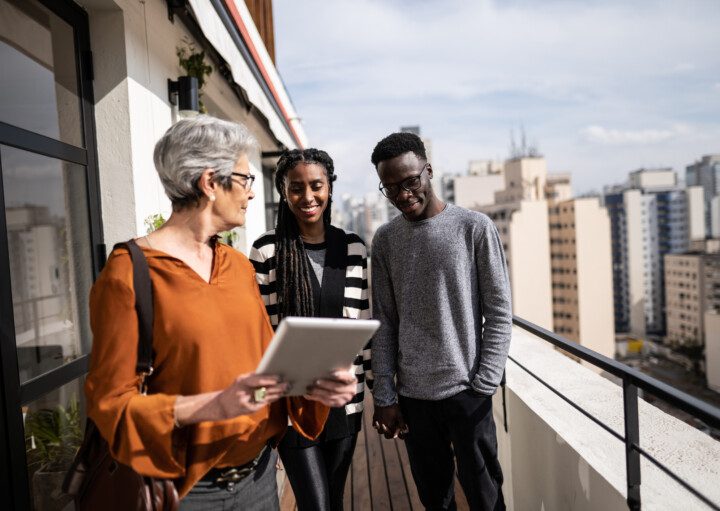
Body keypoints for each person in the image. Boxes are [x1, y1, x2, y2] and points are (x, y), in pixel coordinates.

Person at [84, 116, 358, 510]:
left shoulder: (237, 266)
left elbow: (267, 378)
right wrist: (212, 405)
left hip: (261, 479)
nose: (251, 193)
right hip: (185, 492)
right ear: (210, 183)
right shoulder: (128, 275)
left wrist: (313, 387)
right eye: (246, 179)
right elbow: (110, 405)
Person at [369, 132, 512, 511]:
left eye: (410, 181)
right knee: (435, 500)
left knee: (485, 496)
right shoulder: (384, 241)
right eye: (390, 188)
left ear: (428, 171)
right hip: (414, 398)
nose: (402, 194)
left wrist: (484, 383)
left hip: (468, 391)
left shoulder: (474, 227)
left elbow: (499, 312)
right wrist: (384, 395)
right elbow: (383, 322)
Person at [249, 148, 371, 511]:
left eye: (316, 186)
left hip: (344, 399)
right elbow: (262, 332)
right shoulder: (267, 251)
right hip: (291, 401)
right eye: (296, 188)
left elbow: (363, 327)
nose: (307, 197)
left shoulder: (353, 248)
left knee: (332, 499)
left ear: (329, 188)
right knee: (315, 504)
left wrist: (383, 395)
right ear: (284, 194)